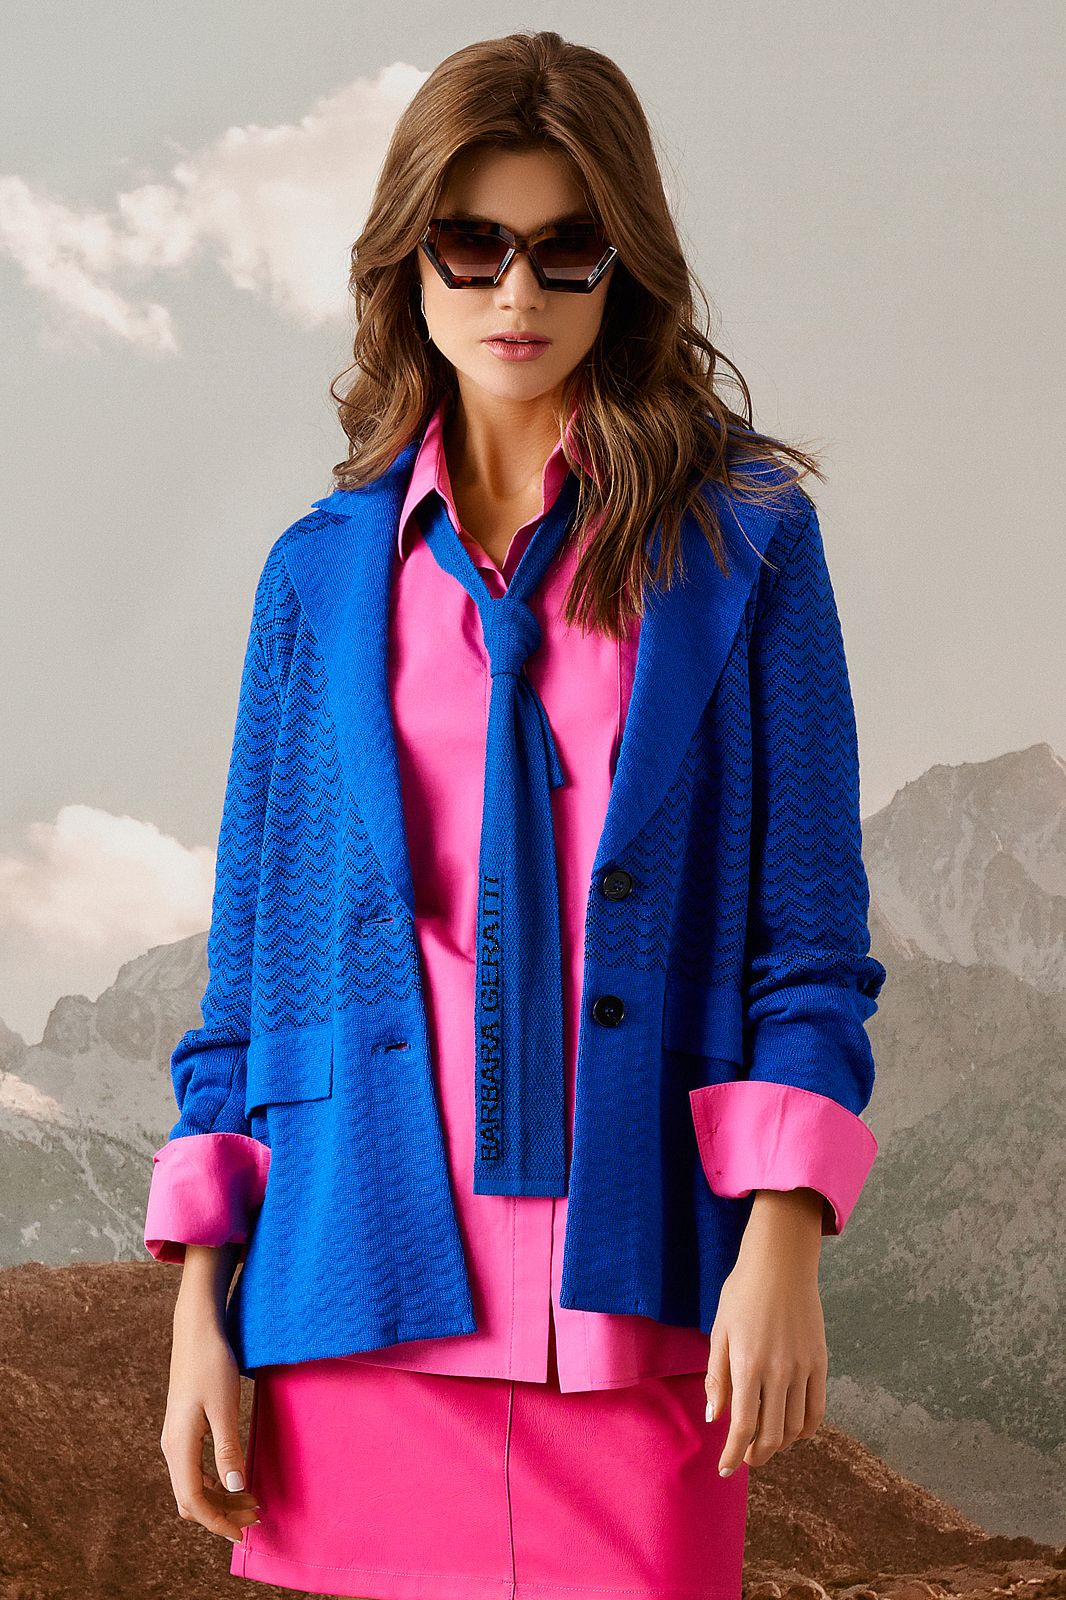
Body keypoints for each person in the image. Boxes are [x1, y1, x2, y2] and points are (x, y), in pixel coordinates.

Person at [144, 28, 886, 1600]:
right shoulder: (316, 578)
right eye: (472, 245)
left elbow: (808, 941)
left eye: (566, 249)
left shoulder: (743, 546)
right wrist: (201, 1303)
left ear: (626, 264)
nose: (516, 293)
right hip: (354, 1297)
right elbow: (248, 985)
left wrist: (785, 1234)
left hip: (635, 1300)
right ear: (406, 260)